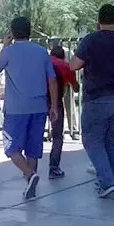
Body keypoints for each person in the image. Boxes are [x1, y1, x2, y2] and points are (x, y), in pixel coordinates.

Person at [71, 4, 114, 198]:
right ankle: (109, 182)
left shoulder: (90, 40)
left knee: (92, 140)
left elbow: (74, 65)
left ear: (98, 20)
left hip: (97, 98)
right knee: (113, 140)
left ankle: (107, 181)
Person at [0, 17, 59, 199]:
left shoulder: (9, 52)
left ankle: (30, 175)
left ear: (12, 33)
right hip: (39, 106)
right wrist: (53, 105)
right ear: (30, 31)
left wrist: (5, 46)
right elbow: (52, 80)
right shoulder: (41, 52)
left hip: (16, 108)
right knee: (33, 148)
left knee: (11, 147)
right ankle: (31, 184)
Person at [48, 45, 80, 179]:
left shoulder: (42, 63)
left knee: (34, 133)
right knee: (57, 136)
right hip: (55, 102)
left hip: (37, 100)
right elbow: (76, 87)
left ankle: (30, 169)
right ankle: (54, 168)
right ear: (63, 56)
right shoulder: (65, 66)